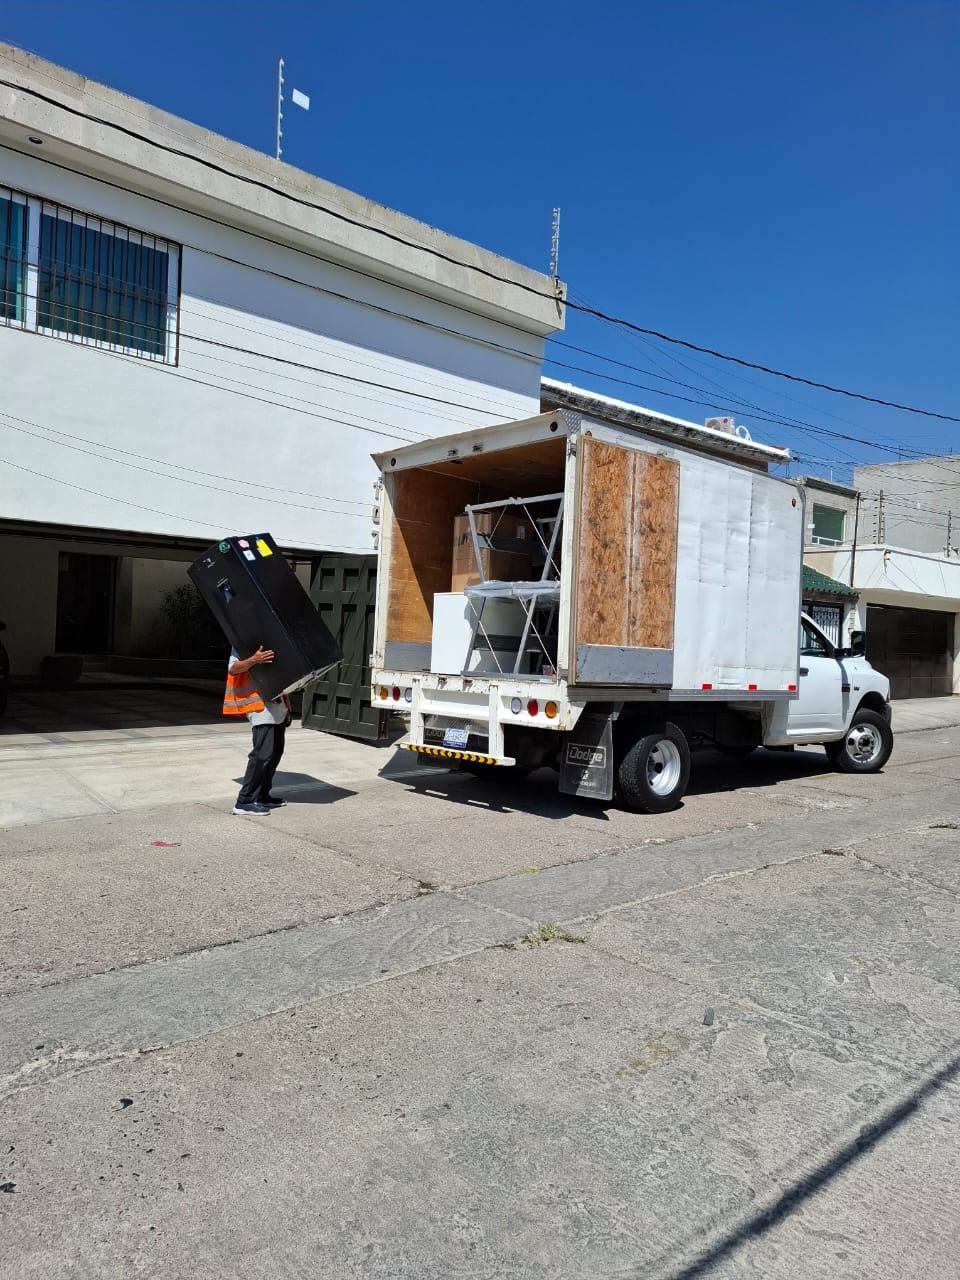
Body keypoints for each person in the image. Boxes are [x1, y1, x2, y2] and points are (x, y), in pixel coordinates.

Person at [224, 645, 291, 816]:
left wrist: (287, 701)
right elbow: (233, 669)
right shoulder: (242, 641)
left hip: (278, 707)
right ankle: (244, 801)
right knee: (262, 754)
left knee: (275, 752)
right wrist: (255, 659)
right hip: (259, 706)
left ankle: (262, 795)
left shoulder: (275, 640)